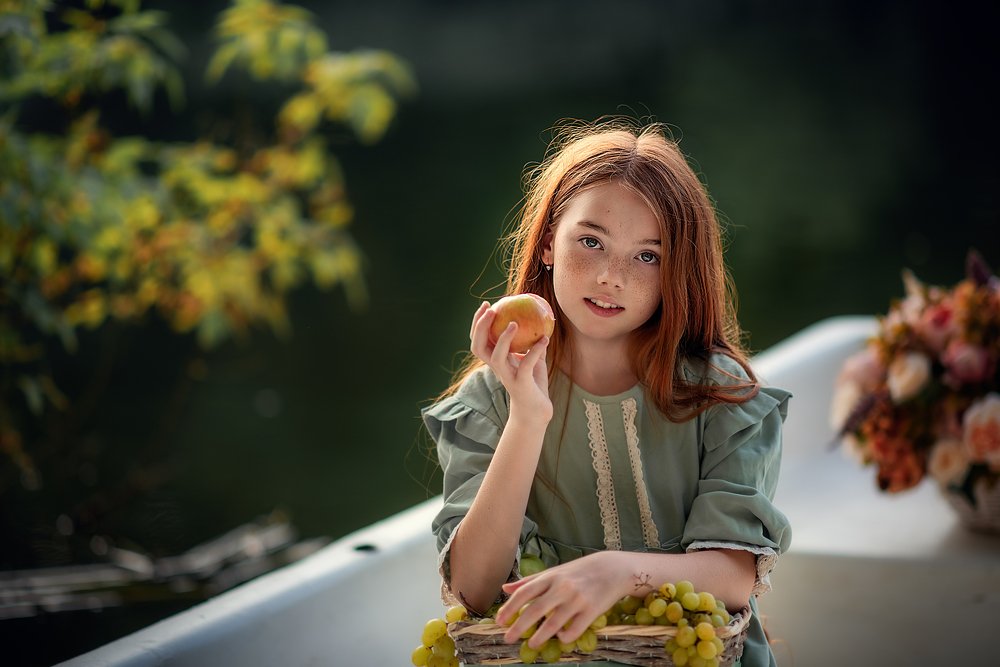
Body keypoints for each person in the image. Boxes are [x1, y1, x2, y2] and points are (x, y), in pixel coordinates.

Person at [422, 117, 792, 667]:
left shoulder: (723, 397)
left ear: (676, 272)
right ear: (548, 243)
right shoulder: (490, 401)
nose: (611, 278)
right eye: (591, 242)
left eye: (648, 255)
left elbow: (734, 577)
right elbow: (475, 591)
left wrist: (619, 572)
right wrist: (527, 417)